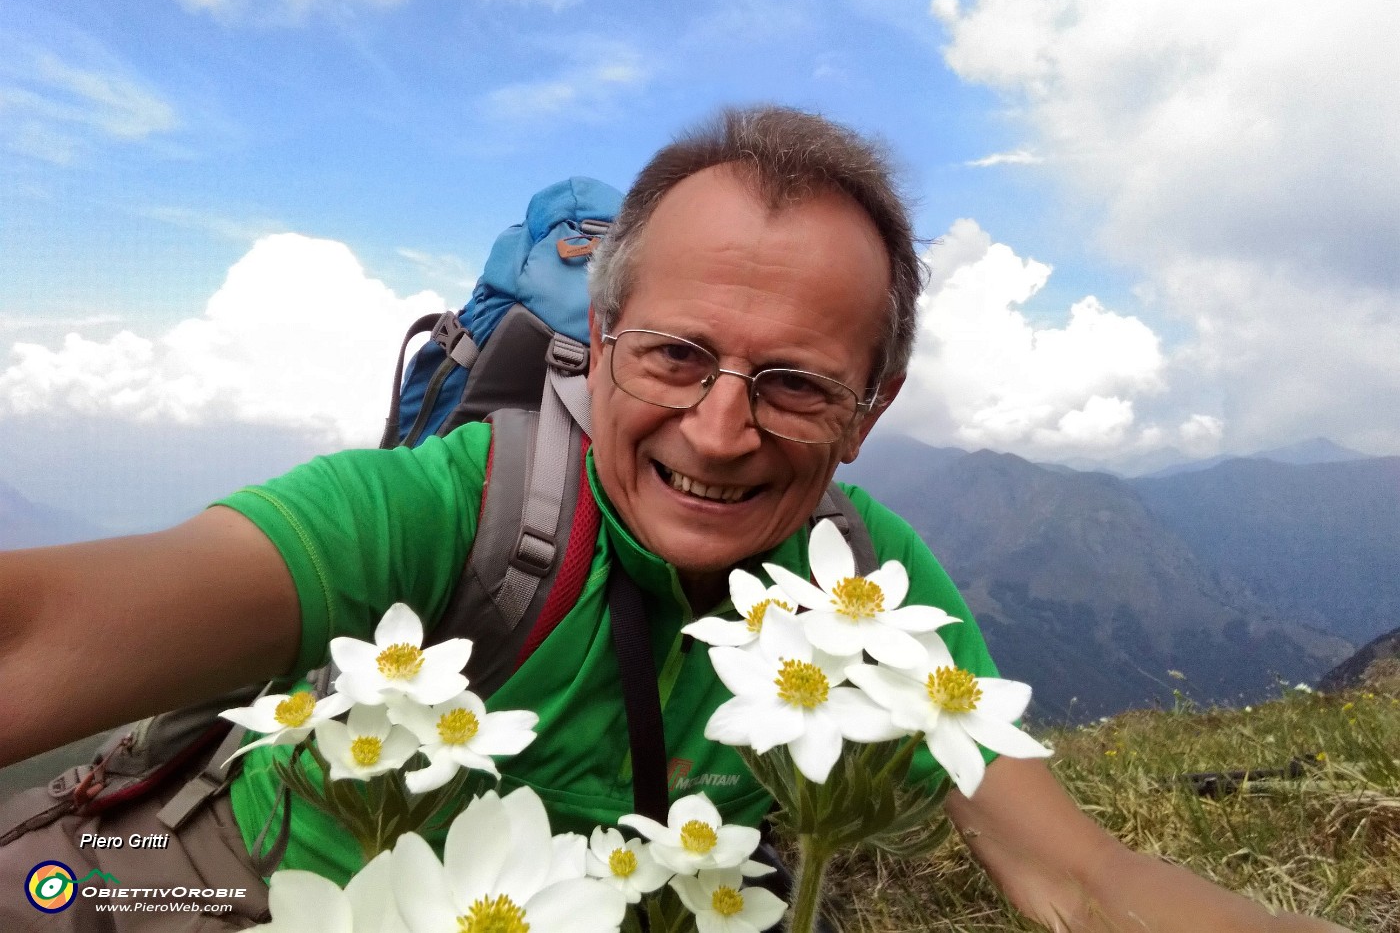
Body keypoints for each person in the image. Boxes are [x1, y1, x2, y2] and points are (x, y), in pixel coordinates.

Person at [0, 107, 1348, 932]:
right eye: (676, 356)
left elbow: (1082, 879)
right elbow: (44, 631)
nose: (718, 427)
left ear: (869, 410)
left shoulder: (875, 590)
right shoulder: (448, 510)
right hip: (218, 878)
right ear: (603, 338)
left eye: (795, 383)